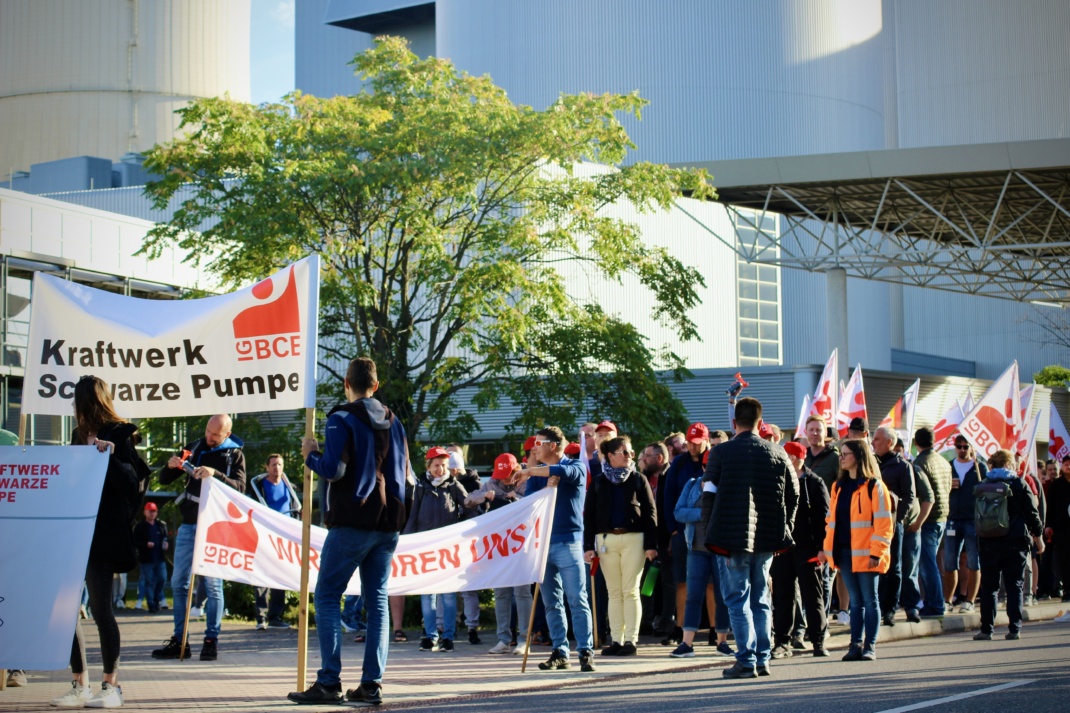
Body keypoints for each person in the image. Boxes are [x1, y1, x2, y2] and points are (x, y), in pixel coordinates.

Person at [288, 357, 410, 706]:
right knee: (377, 601)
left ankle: (328, 682)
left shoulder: (341, 418)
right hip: (388, 522)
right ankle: (371, 685)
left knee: (327, 596)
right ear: (376, 385)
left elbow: (334, 469)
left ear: (346, 382)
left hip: (352, 520)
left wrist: (311, 455)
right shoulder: (394, 422)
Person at [52, 375, 149, 709]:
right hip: (75, 530)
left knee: (100, 608)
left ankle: (111, 686)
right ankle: (80, 682)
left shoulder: (120, 434)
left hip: (103, 533)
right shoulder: (77, 436)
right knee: (65, 610)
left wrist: (110, 456)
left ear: (87, 401)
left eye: (76, 400)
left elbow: (133, 481)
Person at [703, 397, 799, 679]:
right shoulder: (778, 453)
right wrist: (786, 526)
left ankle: (746, 659)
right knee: (760, 599)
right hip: (767, 538)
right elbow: (793, 493)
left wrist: (710, 529)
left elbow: (707, 493)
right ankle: (763, 658)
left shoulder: (721, 453)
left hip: (730, 539)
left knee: (737, 600)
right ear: (761, 421)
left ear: (734, 423)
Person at [152, 414, 246, 662]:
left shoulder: (234, 454)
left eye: (215, 435)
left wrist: (215, 474)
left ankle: (210, 640)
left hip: (215, 527)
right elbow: (163, 479)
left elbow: (241, 487)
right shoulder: (193, 447)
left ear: (227, 434)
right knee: (178, 582)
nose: (209, 437)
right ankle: (179, 640)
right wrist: (170, 465)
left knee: (213, 585)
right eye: (208, 431)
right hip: (189, 524)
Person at [516, 426, 596, 673]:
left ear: (553, 445)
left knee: (577, 598)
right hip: (543, 543)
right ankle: (560, 651)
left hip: (569, 541)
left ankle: (585, 650)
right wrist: (546, 489)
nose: (535, 448)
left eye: (539, 443)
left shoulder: (576, 466)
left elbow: (563, 471)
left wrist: (529, 470)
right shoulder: (539, 476)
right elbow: (530, 503)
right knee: (551, 601)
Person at [818, 438, 893, 662]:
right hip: (844, 552)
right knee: (856, 602)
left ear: (858, 457)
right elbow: (830, 521)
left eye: (845, 454)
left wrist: (876, 553)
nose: (841, 458)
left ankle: (869, 646)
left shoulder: (874, 486)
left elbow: (883, 523)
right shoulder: (837, 487)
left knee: (870, 601)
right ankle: (855, 645)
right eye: (841, 454)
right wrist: (827, 549)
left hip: (867, 554)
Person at [583, 435, 657, 656]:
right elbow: (589, 516)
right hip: (606, 540)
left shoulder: (638, 479)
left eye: (631, 452)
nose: (629, 456)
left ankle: (631, 641)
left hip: (634, 539)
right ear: (610, 456)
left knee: (631, 591)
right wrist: (589, 545)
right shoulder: (598, 481)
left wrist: (651, 544)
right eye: (624, 452)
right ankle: (616, 639)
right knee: (614, 592)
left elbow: (651, 513)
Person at [973, 450, 1045, 640]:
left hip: (988, 542)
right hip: (1015, 541)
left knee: (989, 587)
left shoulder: (983, 485)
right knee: (1015, 586)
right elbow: (1032, 513)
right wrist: (1038, 536)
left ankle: (986, 630)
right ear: (1010, 465)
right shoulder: (1019, 484)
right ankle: (1014, 628)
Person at [405, 446, 471, 653]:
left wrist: (466, 530)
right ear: (428, 466)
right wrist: (406, 543)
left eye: (443, 466)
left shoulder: (454, 486)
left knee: (449, 595)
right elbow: (412, 517)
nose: (440, 470)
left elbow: (469, 507)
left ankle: (448, 637)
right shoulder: (420, 487)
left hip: (449, 549)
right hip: (425, 549)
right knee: (427, 594)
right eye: (436, 466)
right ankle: (430, 635)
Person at [669, 449, 733, 659]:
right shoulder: (692, 485)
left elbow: (727, 515)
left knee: (722, 596)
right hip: (696, 549)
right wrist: (703, 513)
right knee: (693, 596)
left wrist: (705, 513)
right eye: (707, 467)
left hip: (720, 550)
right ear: (703, 467)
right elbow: (679, 512)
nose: (709, 471)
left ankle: (722, 641)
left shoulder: (727, 488)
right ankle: (687, 643)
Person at [468, 453, 532, 655]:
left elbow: (539, 503)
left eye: (508, 475)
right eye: (501, 475)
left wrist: (519, 499)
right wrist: (483, 497)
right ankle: (503, 640)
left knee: (522, 593)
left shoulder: (527, 480)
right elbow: (468, 500)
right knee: (501, 593)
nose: (504, 480)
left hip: (522, 547)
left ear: (515, 471)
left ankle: (524, 639)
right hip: (499, 548)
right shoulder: (491, 483)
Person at [771, 441, 830, 658]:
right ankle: (782, 642)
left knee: (812, 596)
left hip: (809, 549)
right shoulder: (778, 481)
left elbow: (825, 517)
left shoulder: (814, 483)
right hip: (784, 548)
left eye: (786, 456)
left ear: (795, 458)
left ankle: (818, 641)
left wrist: (823, 548)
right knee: (783, 597)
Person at [660, 422, 710, 646]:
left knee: (711, 583)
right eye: (689, 442)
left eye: (697, 443)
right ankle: (680, 629)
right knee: (682, 581)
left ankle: (714, 631)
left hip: (709, 534)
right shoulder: (678, 464)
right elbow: (668, 497)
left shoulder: (714, 461)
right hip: (682, 533)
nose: (692, 447)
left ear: (706, 441)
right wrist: (672, 530)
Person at [248, 453, 301, 630]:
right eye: (273, 465)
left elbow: (295, 510)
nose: (276, 468)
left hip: (283, 537)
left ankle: (275, 616)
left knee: (280, 575)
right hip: (264, 535)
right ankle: (260, 617)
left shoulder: (289, 487)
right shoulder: (259, 487)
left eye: (279, 464)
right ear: (267, 467)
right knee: (263, 575)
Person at [872, 425, 916, 627]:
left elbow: (910, 496)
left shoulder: (902, 466)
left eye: (877, 439)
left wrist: (897, 519)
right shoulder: (871, 463)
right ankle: (875, 607)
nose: (873, 443)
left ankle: (889, 610)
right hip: (869, 525)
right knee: (873, 566)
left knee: (893, 568)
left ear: (890, 442)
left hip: (891, 524)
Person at [445, 444, 484, 645]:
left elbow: (476, 510)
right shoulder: (443, 484)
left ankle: (471, 627)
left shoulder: (474, 485)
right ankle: (445, 626)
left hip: (467, 541)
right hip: (448, 541)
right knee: (445, 586)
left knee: (468, 588)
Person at [911, 427, 952, 617]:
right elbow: (948, 487)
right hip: (942, 516)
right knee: (932, 562)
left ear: (915, 442)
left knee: (928, 565)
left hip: (928, 517)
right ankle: (934, 601)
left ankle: (935, 604)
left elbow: (919, 493)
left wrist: (917, 520)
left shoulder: (920, 462)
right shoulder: (944, 462)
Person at [944, 436, 987, 611]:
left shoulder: (979, 467)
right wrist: (949, 486)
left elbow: (987, 492)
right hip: (952, 518)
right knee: (949, 562)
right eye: (958, 446)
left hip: (972, 519)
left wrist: (978, 487)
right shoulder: (949, 466)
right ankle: (948, 601)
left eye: (965, 446)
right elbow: (940, 490)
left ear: (970, 447)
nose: (962, 449)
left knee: (973, 562)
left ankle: (969, 600)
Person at [133, 502, 169, 613]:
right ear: (145, 512)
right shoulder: (139, 527)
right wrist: (145, 544)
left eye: (154, 511)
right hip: (146, 559)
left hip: (160, 558)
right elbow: (134, 542)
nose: (152, 514)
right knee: (149, 581)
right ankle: (151, 603)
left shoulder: (161, 525)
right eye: (150, 511)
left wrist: (166, 545)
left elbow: (165, 538)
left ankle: (156, 598)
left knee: (162, 578)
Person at [1046, 455, 1070, 602]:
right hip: (1062, 530)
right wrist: (1048, 525)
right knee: (1064, 561)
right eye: (1066, 464)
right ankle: (1067, 590)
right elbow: (1050, 507)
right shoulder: (1056, 485)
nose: (1068, 467)